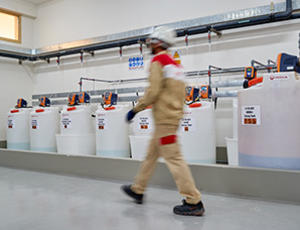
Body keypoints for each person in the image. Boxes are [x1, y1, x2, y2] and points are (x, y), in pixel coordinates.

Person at [121, 26, 205, 216]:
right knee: (151, 155)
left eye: (151, 41)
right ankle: (138, 189)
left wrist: (135, 109)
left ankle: (194, 201)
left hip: (165, 120)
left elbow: (153, 91)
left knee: (174, 159)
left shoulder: (158, 61)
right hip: (170, 118)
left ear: (159, 43)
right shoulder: (175, 65)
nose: (149, 44)